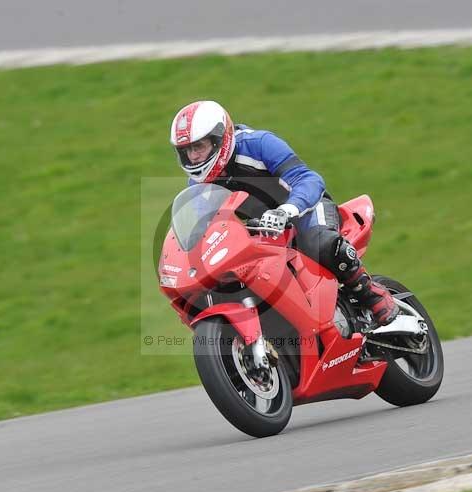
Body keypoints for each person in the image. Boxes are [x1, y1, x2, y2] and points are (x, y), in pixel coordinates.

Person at [170, 100, 397, 326]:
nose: (194, 157)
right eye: (187, 151)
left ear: (220, 137)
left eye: (198, 147)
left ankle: (371, 293)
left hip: (305, 209)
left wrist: (288, 209)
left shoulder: (258, 143)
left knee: (320, 244)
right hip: (264, 230)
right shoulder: (198, 185)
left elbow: (307, 178)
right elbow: (206, 228)